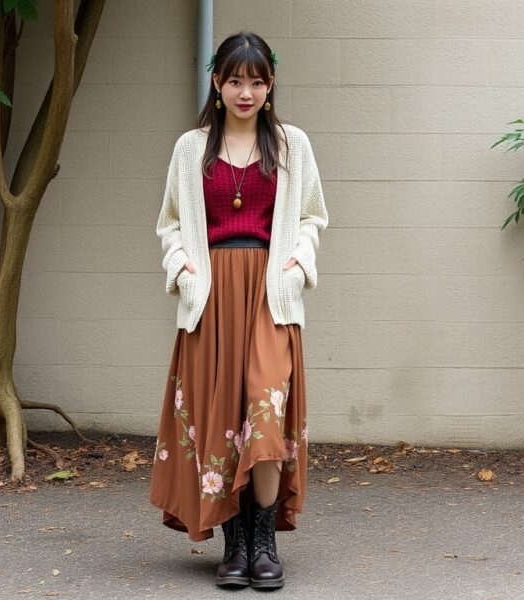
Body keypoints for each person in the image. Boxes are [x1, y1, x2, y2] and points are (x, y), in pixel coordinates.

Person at [149, 30, 328, 590]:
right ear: (217, 84)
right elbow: (170, 222)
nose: (244, 91)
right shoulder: (191, 148)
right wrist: (181, 267)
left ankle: (265, 541)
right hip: (212, 298)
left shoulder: (291, 145)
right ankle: (234, 544)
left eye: (255, 80)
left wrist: (296, 266)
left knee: (266, 413)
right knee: (224, 421)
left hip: (270, 295)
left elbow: (312, 218)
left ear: (270, 84)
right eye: (234, 80)